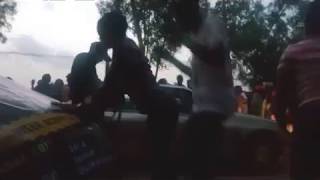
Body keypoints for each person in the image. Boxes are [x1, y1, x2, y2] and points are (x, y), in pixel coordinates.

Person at [84, 12, 178, 179]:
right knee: (159, 158)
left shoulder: (123, 52)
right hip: (163, 108)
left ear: (110, 33)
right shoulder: (127, 45)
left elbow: (109, 89)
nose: (99, 37)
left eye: (101, 34)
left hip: (161, 110)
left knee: (159, 161)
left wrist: (83, 107)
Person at [172, 0, 235, 179]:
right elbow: (201, 70)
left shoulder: (211, 24)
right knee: (196, 162)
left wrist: (188, 44)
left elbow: (216, 57)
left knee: (191, 157)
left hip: (215, 104)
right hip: (203, 107)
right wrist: (172, 59)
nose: (179, 25)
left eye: (180, 20)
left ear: (191, 12)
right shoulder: (197, 35)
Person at [274, 1, 320, 179]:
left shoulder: (293, 52)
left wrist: (283, 129)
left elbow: (281, 95)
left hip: (309, 117)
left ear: (306, 25)